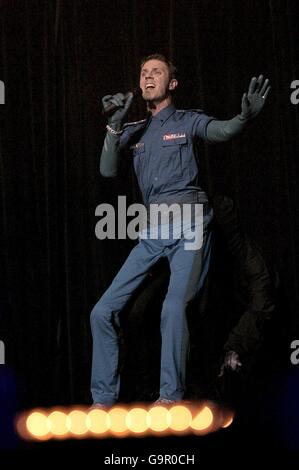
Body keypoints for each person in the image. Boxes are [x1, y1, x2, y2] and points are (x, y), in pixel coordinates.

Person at [90, 53, 270, 407]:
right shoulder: (135, 129)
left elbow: (221, 131)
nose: (148, 77)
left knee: (173, 308)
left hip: (190, 223)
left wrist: (243, 118)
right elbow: (108, 170)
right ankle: (102, 402)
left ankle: (169, 398)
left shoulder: (187, 121)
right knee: (101, 311)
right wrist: (113, 126)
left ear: (171, 83)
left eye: (156, 72)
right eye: (143, 73)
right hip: (153, 231)